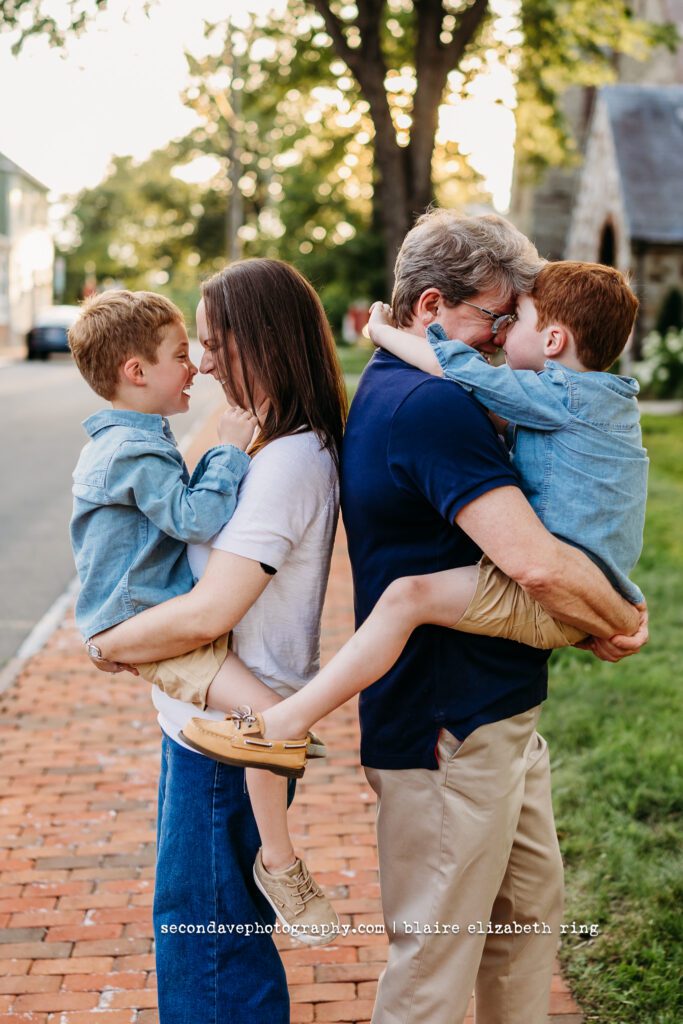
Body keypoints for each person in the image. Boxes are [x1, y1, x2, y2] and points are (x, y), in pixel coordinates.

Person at [195, 211, 648, 1024]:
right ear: (433, 305)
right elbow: (535, 563)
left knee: (520, 930)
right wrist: (617, 619)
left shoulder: (416, 385)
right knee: (433, 969)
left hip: (498, 716)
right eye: (497, 316)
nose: (505, 332)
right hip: (448, 733)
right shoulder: (429, 407)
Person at [182, 260, 649, 774]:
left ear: (554, 341)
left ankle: (286, 722)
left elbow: (458, 371)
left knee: (406, 597)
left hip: (565, 590)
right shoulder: (605, 399)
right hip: (588, 586)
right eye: (498, 316)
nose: (501, 333)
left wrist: (381, 332)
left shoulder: (553, 396)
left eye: (515, 319)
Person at [80, 259, 347, 1023]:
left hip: (226, 746)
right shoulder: (266, 441)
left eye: (208, 342)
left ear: (256, 341)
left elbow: (206, 613)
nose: (197, 360)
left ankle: (282, 848)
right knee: (207, 940)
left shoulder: (288, 459)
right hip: (207, 728)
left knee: (210, 955)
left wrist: (109, 646)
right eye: (187, 346)